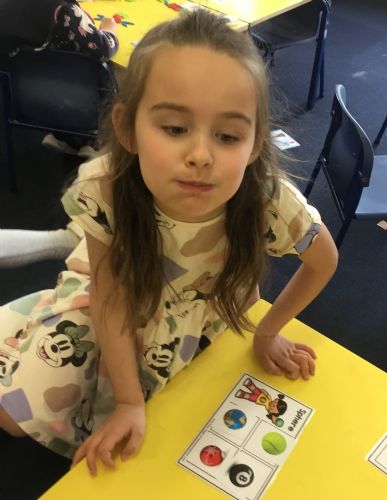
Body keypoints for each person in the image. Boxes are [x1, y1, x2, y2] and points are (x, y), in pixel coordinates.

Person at [0, 9, 338, 475]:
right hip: (115, 301)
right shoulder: (105, 187)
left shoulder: (269, 200)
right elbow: (110, 298)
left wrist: (267, 330)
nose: (200, 155)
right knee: (14, 418)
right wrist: (128, 401)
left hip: (202, 317)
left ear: (255, 143)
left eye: (228, 136)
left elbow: (323, 261)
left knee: (173, 430)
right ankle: (31, 322)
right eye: (175, 129)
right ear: (127, 128)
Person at [0, 0, 119, 158]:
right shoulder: (66, 11)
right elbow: (105, 48)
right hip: (74, 106)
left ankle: (66, 137)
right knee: (109, 72)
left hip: (20, 101)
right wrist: (109, 30)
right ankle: (92, 140)